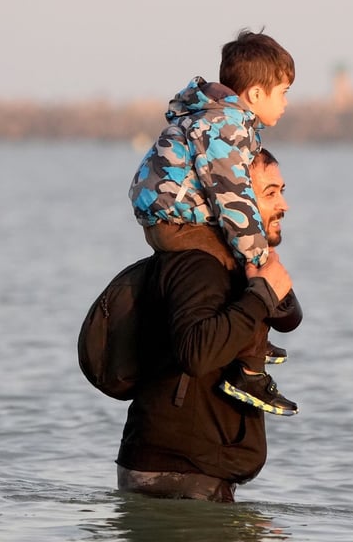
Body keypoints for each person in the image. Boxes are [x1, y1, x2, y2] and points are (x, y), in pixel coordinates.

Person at [128, 29, 299, 415]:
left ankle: (248, 340)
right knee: (251, 266)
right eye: (283, 92)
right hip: (178, 223)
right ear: (256, 94)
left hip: (170, 218)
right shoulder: (226, 129)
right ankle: (248, 370)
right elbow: (234, 201)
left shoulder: (218, 120)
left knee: (246, 256)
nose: (287, 103)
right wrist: (259, 261)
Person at [116, 151, 295, 502]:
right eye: (270, 192)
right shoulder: (198, 265)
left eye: (282, 191)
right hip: (179, 478)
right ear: (235, 199)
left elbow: (288, 317)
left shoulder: (231, 262)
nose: (284, 204)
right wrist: (260, 297)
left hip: (195, 475)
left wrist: (261, 275)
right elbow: (197, 353)